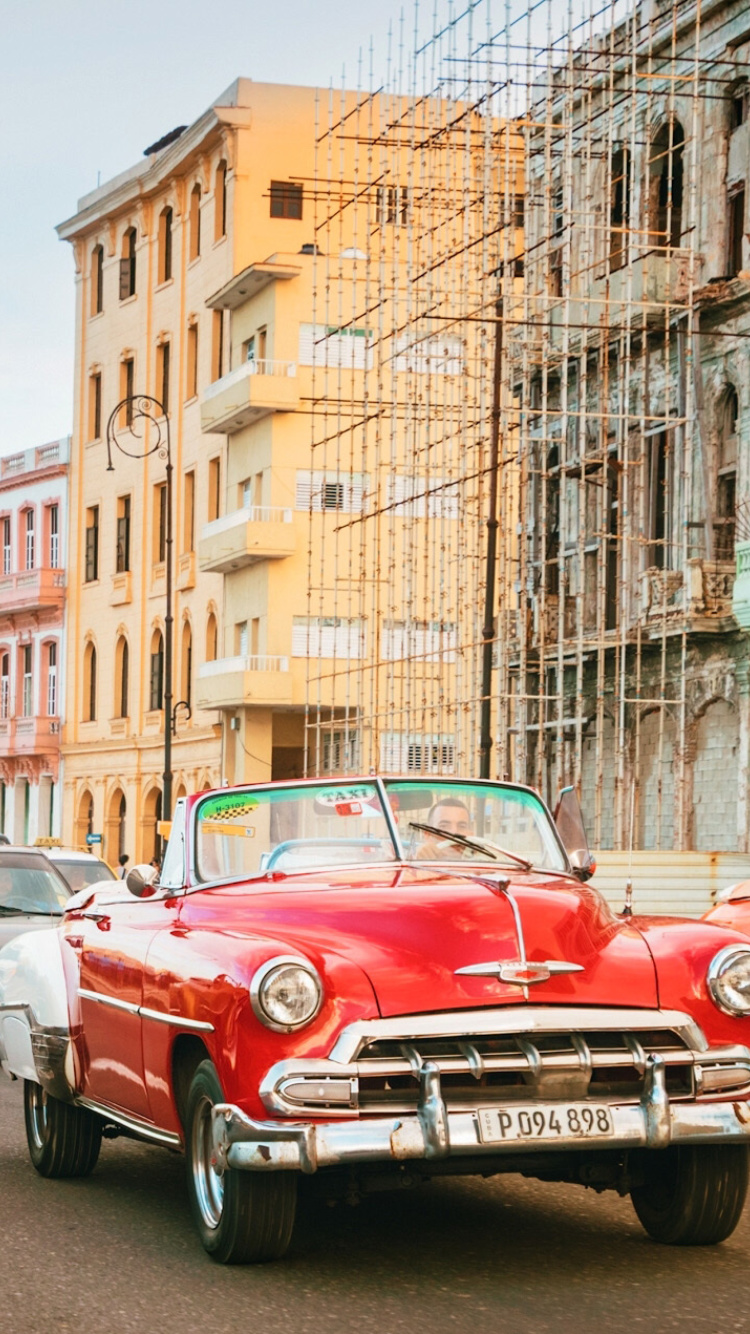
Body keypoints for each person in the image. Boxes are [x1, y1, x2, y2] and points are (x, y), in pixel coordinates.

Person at [415, 797, 473, 861]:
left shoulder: (483, 864)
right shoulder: (411, 867)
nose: (454, 832)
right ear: (428, 835)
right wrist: (419, 861)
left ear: (470, 835)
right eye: (444, 826)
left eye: (462, 826)